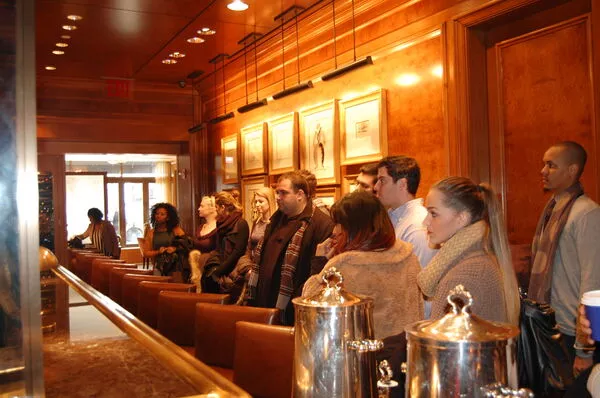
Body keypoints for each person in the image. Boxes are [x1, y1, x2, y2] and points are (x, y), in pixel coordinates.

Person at [303, 191, 423, 338]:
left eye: (339, 224)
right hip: (404, 350)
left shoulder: (344, 266)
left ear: (354, 228)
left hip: (360, 355)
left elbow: (310, 309)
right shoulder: (408, 256)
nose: (335, 231)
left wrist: (319, 261)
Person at [528, 141, 600, 374]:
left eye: (551, 165)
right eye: (544, 164)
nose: (543, 171)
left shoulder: (587, 213)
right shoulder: (553, 208)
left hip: (573, 333)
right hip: (549, 327)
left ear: (572, 170)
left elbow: (594, 285)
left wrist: (584, 350)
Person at [418, 176, 520, 325]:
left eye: (433, 214)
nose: (425, 221)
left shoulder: (462, 278)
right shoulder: (478, 259)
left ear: (462, 218)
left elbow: (441, 346)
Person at [247, 171, 334, 325]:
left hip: (293, 307)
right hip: (264, 299)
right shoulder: (276, 219)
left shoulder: (321, 224)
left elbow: (320, 272)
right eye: (277, 192)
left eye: (284, 193)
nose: (278, 197)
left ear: (300, 194)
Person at [375, 156, 437, 269]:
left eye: (382, 180)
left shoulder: (418, 225)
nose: (376, 186)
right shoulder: (390, 218)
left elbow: (418, 278)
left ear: (402, 184)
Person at [201, 192, 249, 295]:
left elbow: (238, 252)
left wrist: (219, 271)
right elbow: (219, 249)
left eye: (217, 207)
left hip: (232, 269)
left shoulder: (241, 223)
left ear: (223, 207)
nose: (216, 211)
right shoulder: (221, 223)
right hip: (220, 263)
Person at [142, 203, 188, 278]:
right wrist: (158, 252)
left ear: (168, 217)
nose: (158, 216)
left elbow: (186, 245)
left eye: (162, 214)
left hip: (176, 267)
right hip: (158, 268)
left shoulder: (176, 230)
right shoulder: (151, 232)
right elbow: (145, 253)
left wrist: (175, 249)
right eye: (157, 213)